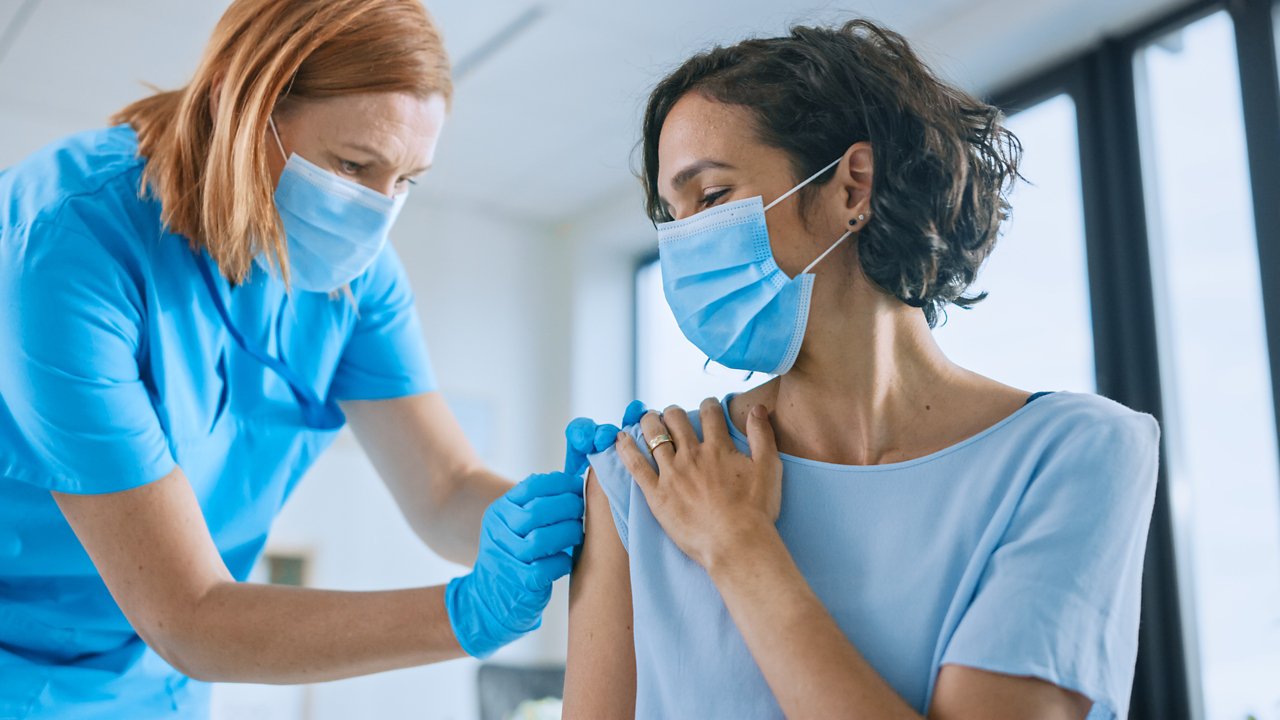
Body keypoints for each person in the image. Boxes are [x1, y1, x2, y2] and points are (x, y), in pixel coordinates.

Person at [0, 1, 632, 717]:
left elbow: (446, 488)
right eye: (354, 164)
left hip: (160, 684)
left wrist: (590, 519)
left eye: (406, 180)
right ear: (236, 108)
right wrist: (467, 613)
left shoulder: (357, 282)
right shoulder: (65, 244)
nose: (376, 209)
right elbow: (190, 613)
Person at [564, 19, 1160, 720]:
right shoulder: (645, 480)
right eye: (673, 215)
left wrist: (739, 546)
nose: (685, 243)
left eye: (713, 198)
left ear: (852, 186)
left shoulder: (1072, 453)